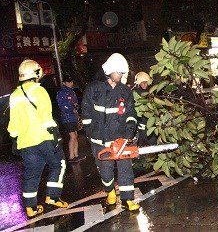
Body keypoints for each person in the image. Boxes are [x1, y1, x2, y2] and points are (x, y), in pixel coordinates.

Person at [8, 59, 69, 218]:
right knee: (59, 164)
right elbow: (46, 117)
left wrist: (15, 139)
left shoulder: (14, 95)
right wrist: (57, 135)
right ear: (36, 73)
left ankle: (31, 208)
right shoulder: (38, 91)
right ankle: (52, 196)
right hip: (44, 138)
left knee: (32, 173)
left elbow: (13, 123)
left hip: (26, 143)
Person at [81, 53, 140, 211]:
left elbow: (131, 113)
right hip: (100, 140)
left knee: (126, 169)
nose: (120, 75)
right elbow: (86, 114)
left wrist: (130, 130)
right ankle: (110, 190)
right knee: (105, 170)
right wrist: (92, 133)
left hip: (121, 139)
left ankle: (128, 200)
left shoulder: (125, 91)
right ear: (109, 71)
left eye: (122, 73)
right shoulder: (94, 89)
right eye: (118, 72)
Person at [56, 75, 85, 163]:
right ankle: (71, 156)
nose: (71, 83)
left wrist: (76, 107)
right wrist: (71, 108)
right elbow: (62, 106)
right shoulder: (62, 92)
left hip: (73, 117)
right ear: (64, 83)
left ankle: (75, 155)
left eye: (71, 81)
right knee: (72, 136)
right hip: (67, 117)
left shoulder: (71, 92)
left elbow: (75, 103)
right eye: (69, 82)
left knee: (75, 135)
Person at [132, 71, 157, 146]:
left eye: (146, 82)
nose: (145, 84)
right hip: (139, 129)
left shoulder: (149, 94)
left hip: (149, 128)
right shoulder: (134, 94)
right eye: (143, 82)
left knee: (154, 147)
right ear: (139, 83)